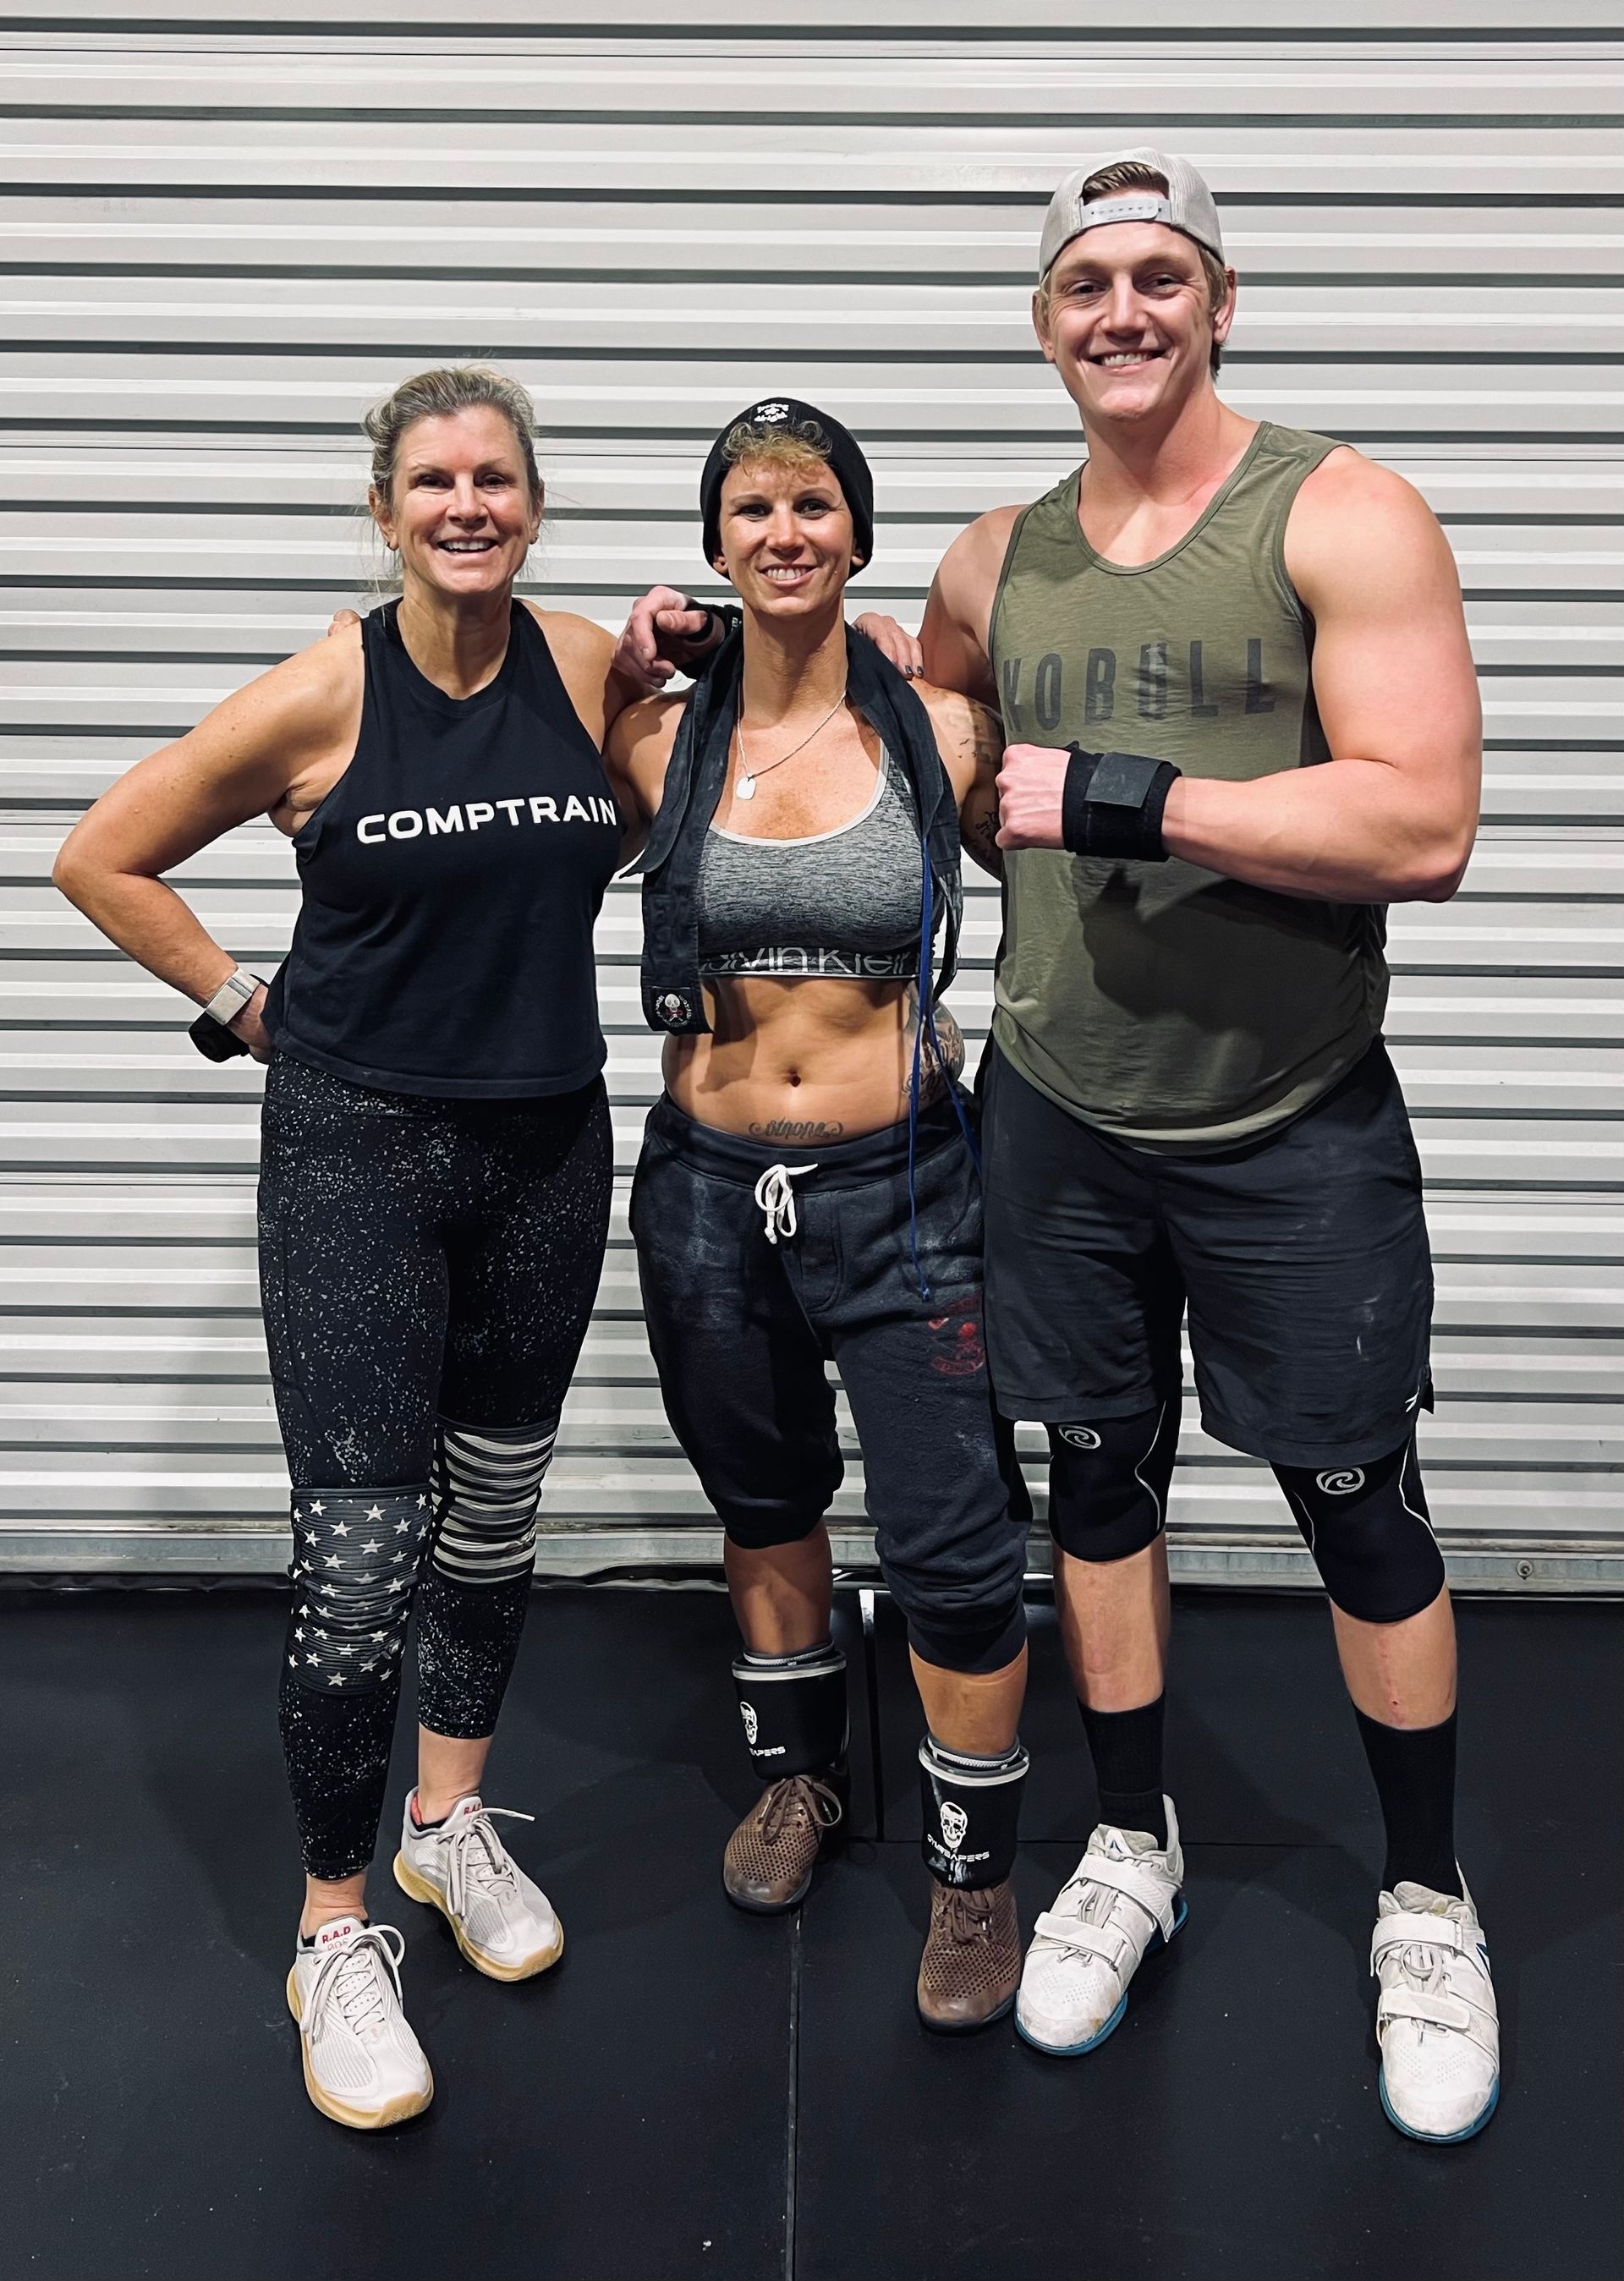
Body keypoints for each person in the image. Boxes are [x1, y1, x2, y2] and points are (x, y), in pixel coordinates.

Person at [617, 155, 1500, 2143]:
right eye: (1087, 280)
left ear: (1220, 299)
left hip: (1291, 1122)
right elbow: (872, 729)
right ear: (1043, 318)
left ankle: (1429, 1897)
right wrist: (686, 641)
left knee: (1361, 1505)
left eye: (1159, 276)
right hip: (1059, 1118)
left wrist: (1133, 794)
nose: (1122, 309)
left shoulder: (1340, 510)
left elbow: (1423, 825)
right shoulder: (989, 557)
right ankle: (1129, 1839)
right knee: (1095, 1486)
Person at [54, 366, 644, 2130]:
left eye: (497, 477)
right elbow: (107, 853)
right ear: (382, 510)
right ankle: (334, 1925)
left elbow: (653, 800)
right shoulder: (329, 686)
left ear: (534, 501)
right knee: (364, 1555)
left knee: (496, 1509)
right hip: (358, 1152)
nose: (468, 504)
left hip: (552, 1139)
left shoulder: (593, 662)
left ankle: (449, 1823)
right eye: (433, 480)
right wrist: (242, 1003)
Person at [608, 397, 1034, 2031]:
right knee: (765, 1496)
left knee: (951, 1538)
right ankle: (799, 1779)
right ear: (711, 541)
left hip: (907, 1181)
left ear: (858, 534)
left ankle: (972, 1870)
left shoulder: (943, 726)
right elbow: (484, 763)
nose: (782, 532)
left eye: (813, 505)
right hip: (707, 1188)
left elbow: (1072, 887)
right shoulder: (651, 735)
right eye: (750, 508)